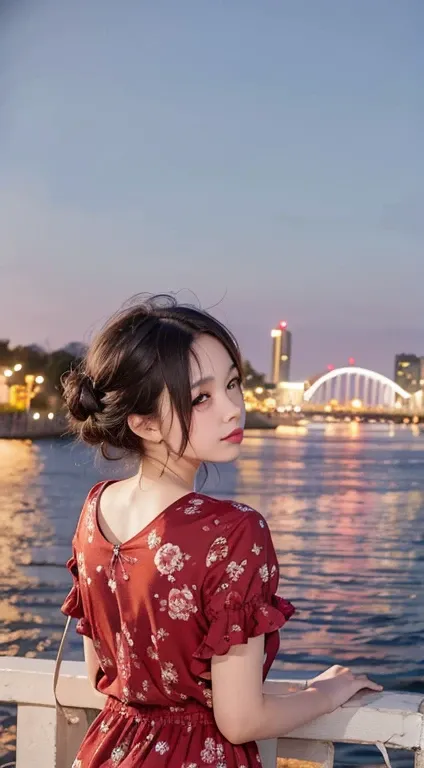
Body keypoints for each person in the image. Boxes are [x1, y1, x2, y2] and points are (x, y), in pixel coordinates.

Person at [60, 295, 382, 767]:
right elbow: (240, 720)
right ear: (144, 423)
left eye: (233, 384)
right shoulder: (233, 532)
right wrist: (325, 692)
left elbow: (101, 675)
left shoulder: (95, 509)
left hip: (108, 750)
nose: (234, 409)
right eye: (202, 397)